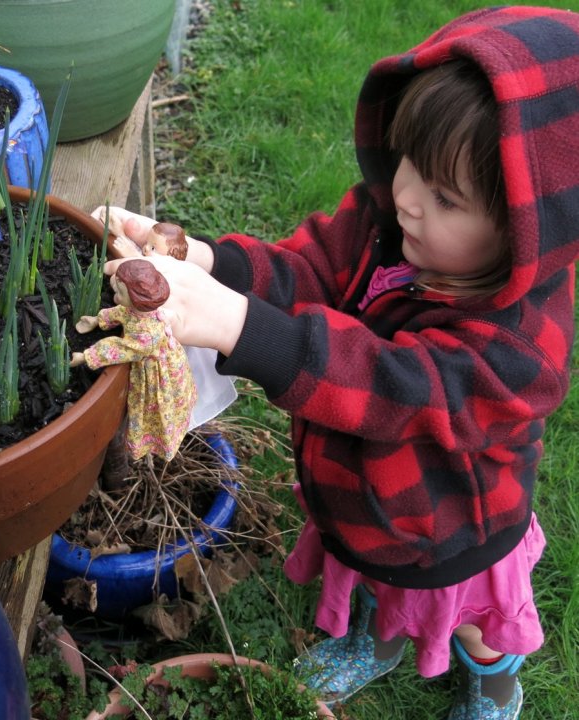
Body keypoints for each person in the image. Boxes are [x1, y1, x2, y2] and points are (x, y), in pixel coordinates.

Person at [92, 6, 579, 717]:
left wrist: (237, 324)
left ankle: (496, 678)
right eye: (409, 161)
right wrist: (208, 261)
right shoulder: (393, 226)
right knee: (380, 587)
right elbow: (311, 269)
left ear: (525, 231)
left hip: (447, 530)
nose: (406, 197)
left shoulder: (518, 351)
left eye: (445, 197)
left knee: (469, 622)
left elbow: (390, 386)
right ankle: (378, 641)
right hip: (365, 502)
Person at [71, 259, 196, 462]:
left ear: (136, 299)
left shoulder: (146, 336)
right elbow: (123, 312)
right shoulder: (140, 312)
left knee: (155, 411)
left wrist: (86, 356)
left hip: (155, 372)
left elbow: (120, 348)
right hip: (160, 355)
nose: (115, 293)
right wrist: (98, 320)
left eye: (120, 292)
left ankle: (153, 445)